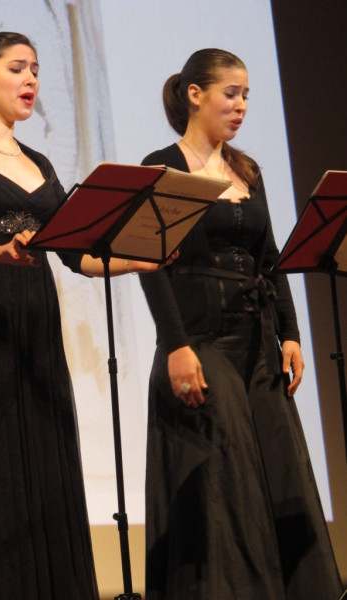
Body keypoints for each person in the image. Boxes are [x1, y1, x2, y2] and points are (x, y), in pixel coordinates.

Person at [0, 31, 170, 600]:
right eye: (17, 68)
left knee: (45, 467)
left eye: (35, 69)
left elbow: (77, 255)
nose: (31, 79)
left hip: (34, 330)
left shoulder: (40, 162)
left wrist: (137, 261)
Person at [139, 48, 343, 600]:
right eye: (231, 93)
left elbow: (269, 258)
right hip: (200, 338)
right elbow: (148, 265)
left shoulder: (246, 170)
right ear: (195, 94)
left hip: (257, 340)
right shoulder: (162, 166)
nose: (242, 105)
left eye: (247, 95)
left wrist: (290, 332)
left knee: (279, 470)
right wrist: (177, 346)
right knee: (226, 481)